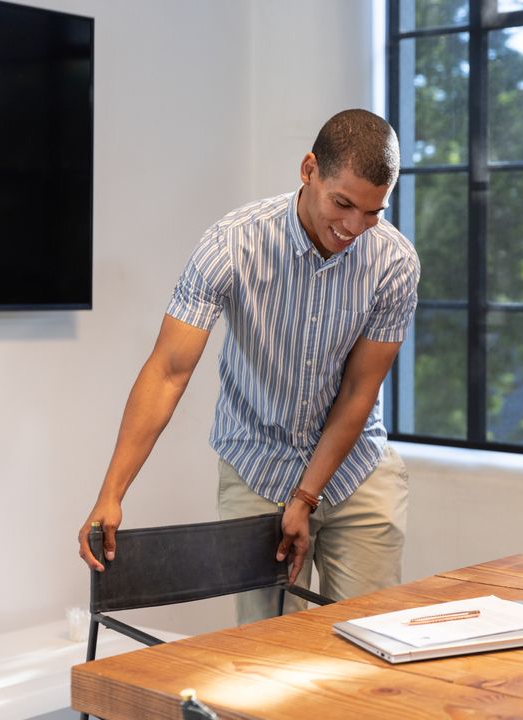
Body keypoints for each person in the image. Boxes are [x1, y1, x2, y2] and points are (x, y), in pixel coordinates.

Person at [77, 109, 420, 623]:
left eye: (372, 213)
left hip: (355, 469)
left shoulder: (394, 262)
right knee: (263, 655)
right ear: (309, 170)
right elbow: (169, 370)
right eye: (342, 204)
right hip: (257, 466)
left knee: (373, 640)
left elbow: (358, 392)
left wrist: (305, 497)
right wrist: (111, 493)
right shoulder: (231, 245)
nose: (354, 227)